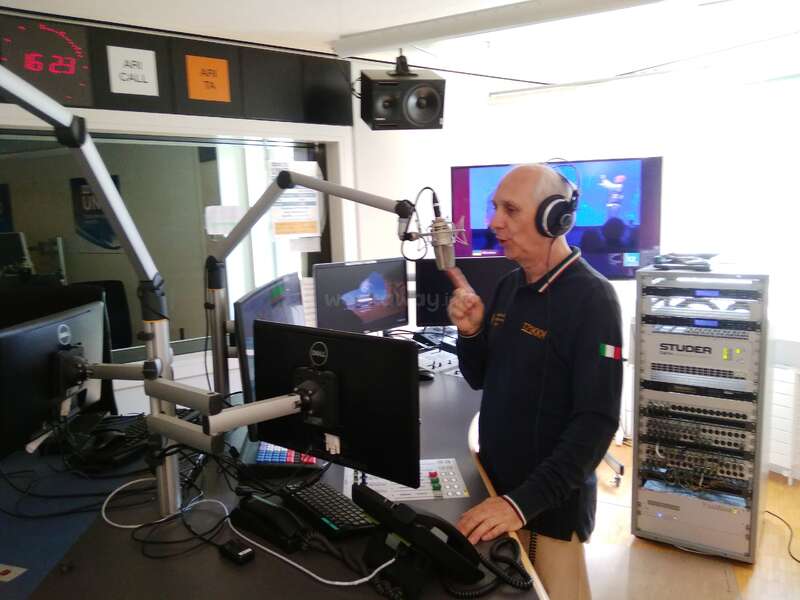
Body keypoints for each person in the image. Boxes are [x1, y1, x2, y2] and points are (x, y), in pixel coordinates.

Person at [447, 164, 623, 600]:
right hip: (497, 492)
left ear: (554, 219)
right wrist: (470, 333)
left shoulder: (593, 299)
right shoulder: (509, 286)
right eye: (494, 208)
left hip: (546, 509)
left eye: (510, 209)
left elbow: (597, 422)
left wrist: (520, 503)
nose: (494, 222)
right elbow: (481, 377)